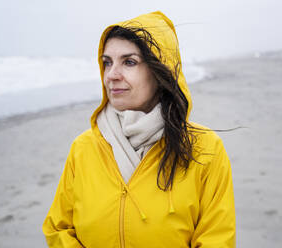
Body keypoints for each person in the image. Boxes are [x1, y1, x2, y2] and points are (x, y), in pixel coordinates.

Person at [42, 11, 235, 248]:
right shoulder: (83, 148)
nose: (111, 75)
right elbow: (58, 228)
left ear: (160, 70)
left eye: (129, 62)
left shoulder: (205, 149)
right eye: (107, 63)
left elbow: (217, 240)